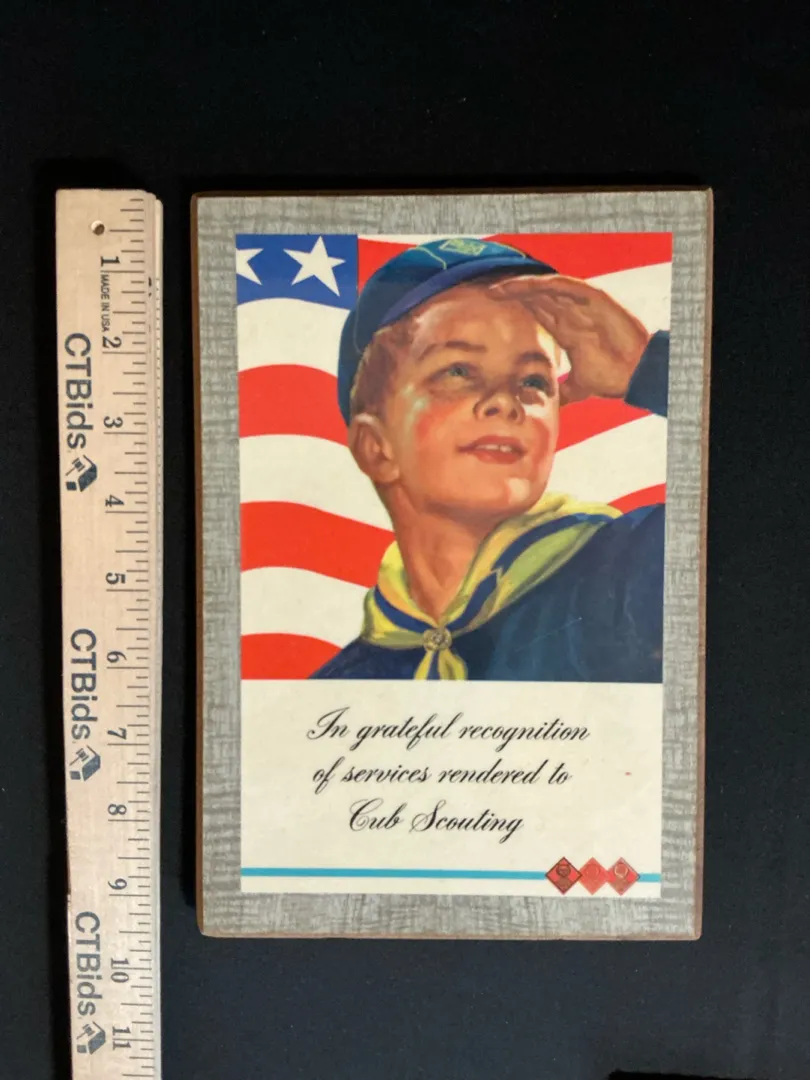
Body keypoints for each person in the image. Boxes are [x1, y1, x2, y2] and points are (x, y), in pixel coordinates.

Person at [311, 237, 668, 681]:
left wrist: (649, 366)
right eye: (458, 371)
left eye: (533, 380)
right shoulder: (343, 682)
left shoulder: (634, 572)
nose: (505, 401)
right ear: (375, 447)